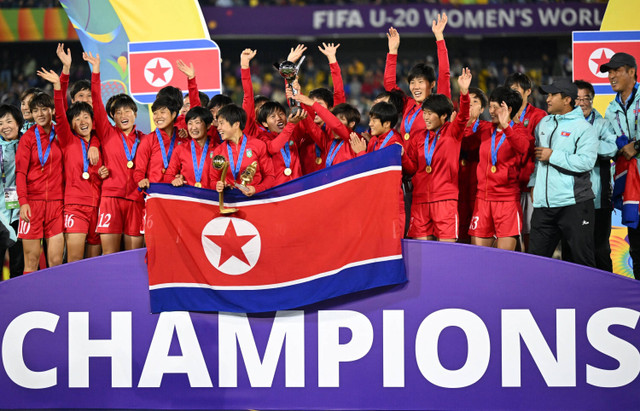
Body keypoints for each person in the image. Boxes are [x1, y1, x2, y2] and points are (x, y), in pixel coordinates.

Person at [528, 79, 598, 267]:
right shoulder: (543, 123)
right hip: (543, 207)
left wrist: (553, 156)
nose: (547, 99)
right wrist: (534, 183)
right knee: (534, 263)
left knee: (582, 263)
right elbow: (537, 159)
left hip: (574, 204)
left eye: (552, 95)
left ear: (567, 99)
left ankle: (588, 297)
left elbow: (586, 162)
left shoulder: (584, 128)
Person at [38, 68, 106, 262]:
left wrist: (103, 171)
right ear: (71, 124)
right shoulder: (68, 140)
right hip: (76, 206)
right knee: (75, 259)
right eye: (77, 118)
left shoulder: (99, 141)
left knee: (94, 261)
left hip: (99, 205)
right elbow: (60, 114)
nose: (82, 121)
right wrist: (58, 86)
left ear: (93, 121)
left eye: (86, 117)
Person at [401, 68, 471, 242]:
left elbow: (463, 116)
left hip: (445, 200)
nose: (425, 117)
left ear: (443, 116)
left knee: (446, 254)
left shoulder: (453, 132)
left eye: (430, 113)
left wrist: (463, 93)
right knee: (421, 255)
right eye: (424, 113)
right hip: (420, 201)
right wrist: (402, 155)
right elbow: (412, 168)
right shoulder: (419, 138)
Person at [85, 52, 144, 255]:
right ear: (112, 117)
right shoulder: (107, 133)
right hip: (110, 198)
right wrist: (96, 71)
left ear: (135, 114)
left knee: (133, 256)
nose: (123, 115)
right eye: (118, 113)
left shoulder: (146, 139)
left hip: (136, 200)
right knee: (109, 255)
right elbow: (96, 99)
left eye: (127, 111)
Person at [466, 87, 530, 250]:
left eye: (495, 107)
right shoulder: (486, 128)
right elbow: (464, 138)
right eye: (490, 106)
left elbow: (522, 147)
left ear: (508, 109)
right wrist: (467, 120)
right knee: (478, 257)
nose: (491, 111)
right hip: (483, 200)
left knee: (505, 260)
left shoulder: (519, 131)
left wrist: (506, 127)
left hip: (507, 201)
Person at [568, 80, 617, 271]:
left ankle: (607, 294)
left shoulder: (603, 124)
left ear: (592, 100)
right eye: (577, 99)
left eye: (586, 98)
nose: (582, 103)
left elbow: (613, 148)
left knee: (600, 249)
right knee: (572, 250)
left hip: (598, 199)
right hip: (570, 200)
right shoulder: (566, 124)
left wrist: (585, 148)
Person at [15, 92, 65, 273]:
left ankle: (54, 300)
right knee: (31, 261)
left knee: (56, 261)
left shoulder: (61, 134)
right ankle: (29, 301)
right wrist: (23, 202)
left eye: (44, 109)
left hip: (56, 204)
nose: (40, 114)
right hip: (32, 205)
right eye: (36, 111)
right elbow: (20, 173)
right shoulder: (28, 138)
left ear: (52, 110)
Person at [601, 52, 640, 278]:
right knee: (636, 246)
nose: (612, 76)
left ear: (632, 72)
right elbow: (610, 143)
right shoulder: (610, 109)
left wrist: (637, 146)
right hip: (630, 187)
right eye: (609, 72)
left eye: (616, 70)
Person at [504, 72, 547, 251]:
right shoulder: (502, 116)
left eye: (516, 90)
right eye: (510, 91)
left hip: (529, 186)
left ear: (528, 91)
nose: (512, 94)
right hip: (508, 186)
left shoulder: (539, 116)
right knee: (510, 233)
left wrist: (535, 182)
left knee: (530, 234)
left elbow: (539, 152)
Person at [210, 104, 275, 196]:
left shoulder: (258, 145)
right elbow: (213, 180)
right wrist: (217, 185)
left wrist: (257, 189)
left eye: (221, 123)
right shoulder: (218, 151)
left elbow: (270, 177)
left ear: (236, 124)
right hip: (229, 202)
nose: (218, 128)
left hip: (254, 201)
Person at [0, 104, 24, 277]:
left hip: (21, 212)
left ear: (18, 123)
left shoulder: (29, 142)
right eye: (0, 123)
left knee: (18, 264)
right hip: (0, 214)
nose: (5, 127)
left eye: (9, 121)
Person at [165, 106, 215, 189]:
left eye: (197, 122)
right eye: (190, 123)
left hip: (211, 199)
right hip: (189, 199)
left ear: (208, 125)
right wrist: (174, 180)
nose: (193, 127)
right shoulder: (180, 149)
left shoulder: (218, 149)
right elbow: (168, 176)